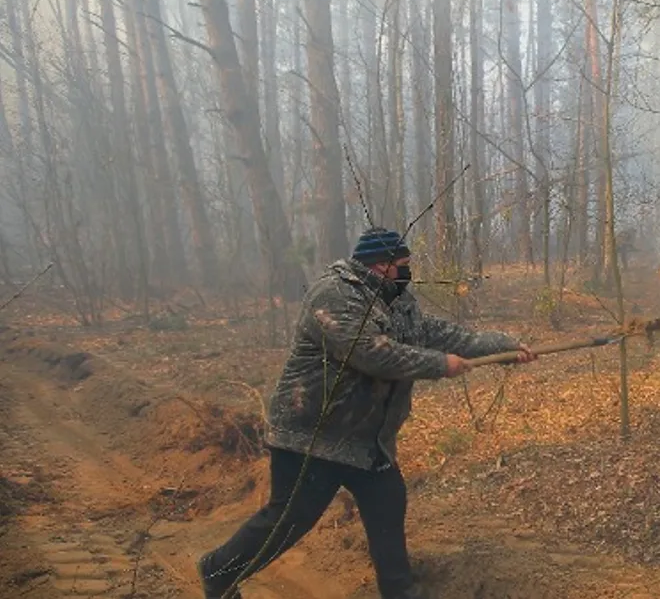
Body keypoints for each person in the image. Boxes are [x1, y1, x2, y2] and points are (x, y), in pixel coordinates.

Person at [197, 227, 535, 599]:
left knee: (388, 504)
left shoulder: (397, 299)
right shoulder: (335, 295)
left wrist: (505, 347)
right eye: (403, 265)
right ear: (380, 265)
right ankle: (219, 570)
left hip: (366, 440)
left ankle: (399, 591)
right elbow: (372, 353)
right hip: (312, 437)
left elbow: (441, 334)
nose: (407, 272)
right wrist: (440, 365)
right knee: (289, 521)